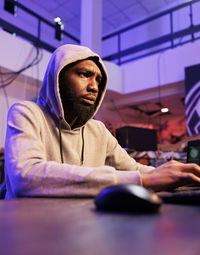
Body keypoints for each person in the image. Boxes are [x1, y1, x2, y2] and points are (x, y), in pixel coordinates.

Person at [4, 44, 200, 199]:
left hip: (80, 226)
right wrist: (144, 179)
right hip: (29, 231)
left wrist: (181, 175)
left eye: (98, 80)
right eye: (85, 74)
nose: (94, 87)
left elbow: (135, 170)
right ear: (58, 77)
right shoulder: (26, 113)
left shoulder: (98, 130)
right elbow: (26, 176)